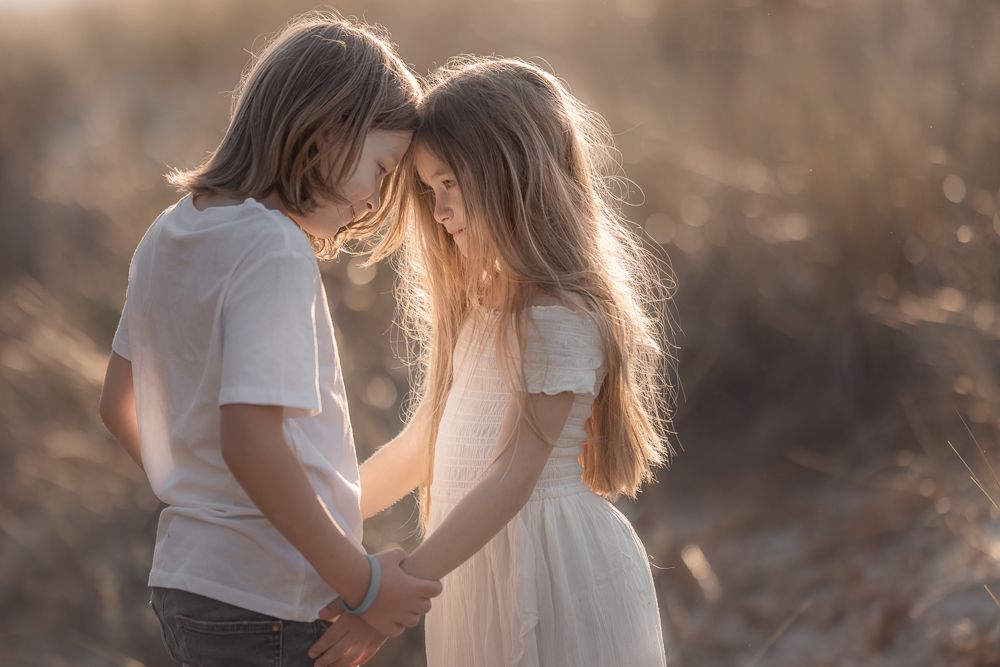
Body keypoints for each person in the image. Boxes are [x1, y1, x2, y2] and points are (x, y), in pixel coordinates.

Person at [98, 12, 440, 667]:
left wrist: (203, 499)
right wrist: (361, 581)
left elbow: (118, 403)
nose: (375, 201)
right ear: (326, 132)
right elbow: (250, 440)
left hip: (189, 581)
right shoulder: (274, 248)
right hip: (267, 602)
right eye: (382, 167)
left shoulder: (169, 232)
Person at [312, 56, 675, 666]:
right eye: (429, 192)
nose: (440, 209)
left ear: (511, 174)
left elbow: (510, 480)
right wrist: (309, 528)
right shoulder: (478, 315)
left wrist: (392, 595)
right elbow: (416, 450)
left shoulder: (559, 319)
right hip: (477, 567)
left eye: (449, 184)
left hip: (550, 568)